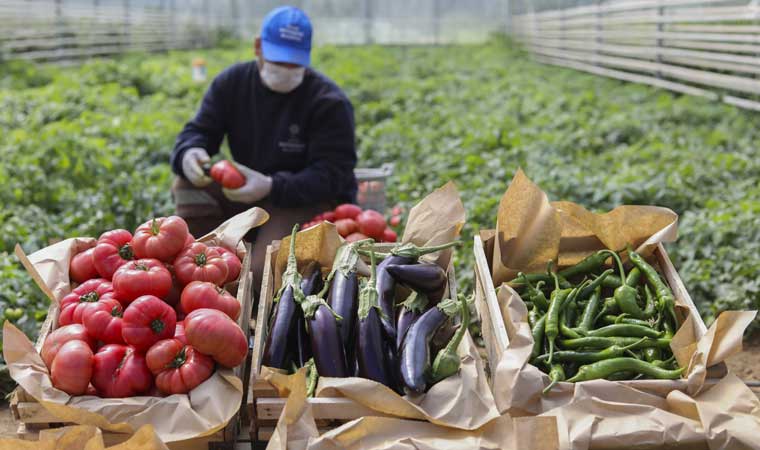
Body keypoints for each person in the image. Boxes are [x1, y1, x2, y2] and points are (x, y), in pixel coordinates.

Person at [170, 6, 358, 292]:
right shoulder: (232, 84)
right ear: (258, 47)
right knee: (186, 184)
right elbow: (198, 132)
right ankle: (205, 252)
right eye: (277, 60)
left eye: (294, 64)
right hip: (247, 192)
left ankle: (250, 285)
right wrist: (189, 153)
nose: (285, 70)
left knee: (261, 273)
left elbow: (334, 176)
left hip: (302, 199)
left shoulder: (328, 102)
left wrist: (270, 186)